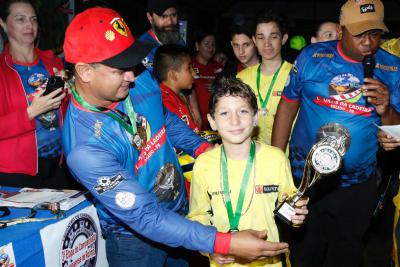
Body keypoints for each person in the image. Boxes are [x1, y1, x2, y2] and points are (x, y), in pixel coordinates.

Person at [62, 7, 289, 267]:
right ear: (85, 71)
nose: (132, 76)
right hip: (134, 241)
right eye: (120, 69)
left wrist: (204, 150)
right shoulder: (85, 148)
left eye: (133, 63)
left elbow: (164, 119)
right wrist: (225, 242)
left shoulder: (138, 78)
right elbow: (146, 216)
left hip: (181, 216)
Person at [271, 0, 400, 266]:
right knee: (305, 252)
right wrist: (275, 162)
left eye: (375, 33)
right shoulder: (312, 57)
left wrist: (386, 108)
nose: (369, 42)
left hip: (357, 185)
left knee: (348, 254)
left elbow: (396, 134)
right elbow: (287, 106)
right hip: (306, 182)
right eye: (360, 34)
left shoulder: (393, 68)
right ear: (341, 31)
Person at [188, 77, 308, 267]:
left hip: (270, 262)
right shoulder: (204, 164)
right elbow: (197, 215)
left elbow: (290, 206)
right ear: (212, 121)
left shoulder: (276, 158)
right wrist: (209, 248)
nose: (234, 120)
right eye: (224, 113)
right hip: (224, 261)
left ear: (255, 117)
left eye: (243, 111)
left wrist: (297, 216)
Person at [0, 0, 78, 189]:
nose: (29, 25)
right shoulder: (2, 71)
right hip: (16, 173)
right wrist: (30, 112)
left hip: (59, 165)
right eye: (20, 19)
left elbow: (68, 112)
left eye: (33, 19)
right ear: (2, 23)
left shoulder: (54, 63)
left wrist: (70, 91)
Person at [237, 10, 292, 146]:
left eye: (273, 37)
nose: (266, 43)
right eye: (261, 37)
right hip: (252, 156)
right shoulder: (242, 78)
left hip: (288, 156)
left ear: (284, 39)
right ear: (254, 40)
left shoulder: (295, 74)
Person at [154, 44, 200, 133]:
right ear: (173, 75)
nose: (194, 72)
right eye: (189, 68)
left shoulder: (179, 95)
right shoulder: (164, 102)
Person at [191, 31, 223, 130]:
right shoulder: (188, 65)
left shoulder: (219, 68)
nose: (211, 48)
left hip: (216, 120)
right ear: (197, 45)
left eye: (213, 44)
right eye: (206, 44)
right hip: (195, 119)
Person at [139, 0, 182, 73]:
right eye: (164, 16)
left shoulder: (180, 41)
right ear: (150, 17)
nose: (170, 22)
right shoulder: (141, 48)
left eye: (173, 15)